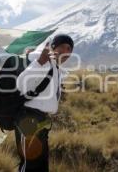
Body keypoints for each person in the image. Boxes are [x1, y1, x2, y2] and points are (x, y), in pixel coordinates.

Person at [14, 34, 74, 172]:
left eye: (70, 49)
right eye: (63, 47)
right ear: (53, 47)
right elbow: (22, 84)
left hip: (41, 121)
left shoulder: (55, 68)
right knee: (29, 165)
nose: (67, 52)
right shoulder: (43, 62)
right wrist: (40, 62)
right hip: (28, 120)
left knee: (41, 165)